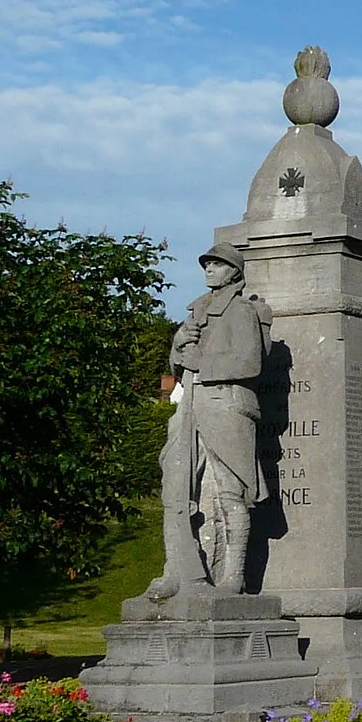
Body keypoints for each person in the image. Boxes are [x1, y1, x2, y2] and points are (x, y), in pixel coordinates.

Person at [145, 244, 275, 600]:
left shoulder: (242, 312)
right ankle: (181, 572)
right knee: (179, 488)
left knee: (231, 494)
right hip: (189, 410)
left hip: (227, 409)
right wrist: (177, 346)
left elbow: (250, 363)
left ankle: (232, 577)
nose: (209, 269)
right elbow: (180, 363)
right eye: (207, 264)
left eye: (217, 264)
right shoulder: (196, 310)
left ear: (234, 271)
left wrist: (202, 361)